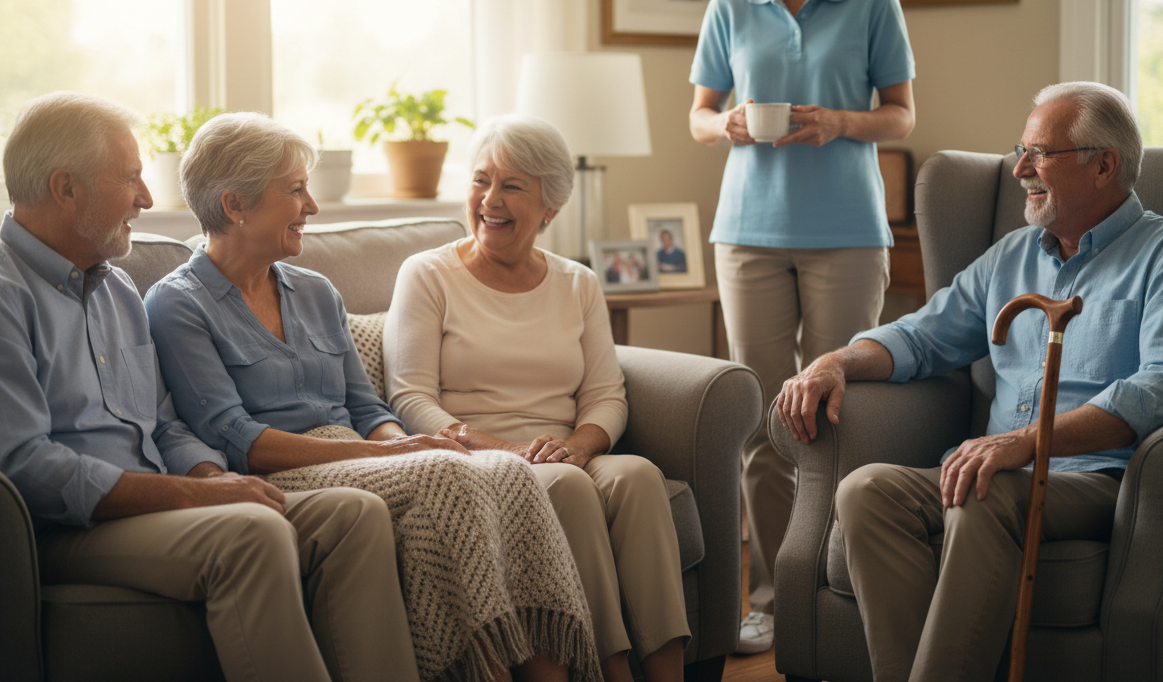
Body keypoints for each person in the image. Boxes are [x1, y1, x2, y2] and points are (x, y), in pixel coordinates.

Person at [144, 112, 599, 682]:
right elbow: (238, 438)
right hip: (285, 470)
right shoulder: (177, 303)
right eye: (295, 190)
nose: (310, 206)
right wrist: (392, 456)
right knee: (446, 474)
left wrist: (407, 443)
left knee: (499, 470)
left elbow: (367, 409)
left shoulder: (314, 290)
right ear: (236, 205)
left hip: (358, 456)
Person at [777, 82, 1163, 682]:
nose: (1020, 168)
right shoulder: (1012, 254)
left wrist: (1026, 443)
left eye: (1040, 153)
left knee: (982, 488)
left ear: (1105, 165)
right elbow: (922, 337)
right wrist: (835, 361)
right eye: (1021, 150)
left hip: (1099, 478)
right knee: (866, 491)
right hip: (993, 468)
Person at [0, 92, 412, 682]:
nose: (145, 199)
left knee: (354, 513)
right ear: (66, 188)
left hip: (157, 504)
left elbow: (164, 423)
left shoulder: (116, 290)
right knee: (254, 533)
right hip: (68, 527)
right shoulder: (7, 293)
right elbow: (25, 465)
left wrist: (216, 480)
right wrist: (190, 497)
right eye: (132, 179)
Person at [687, 0, 916, 652]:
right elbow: (699, 115)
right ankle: (773, 597)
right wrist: (730, 125)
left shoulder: (872, 2)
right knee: (757, 418)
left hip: (848, 234)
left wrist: (839, 122)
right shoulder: (730, 5)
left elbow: (902, 115)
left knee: (835, 413)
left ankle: (838, 582)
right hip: (747, 233)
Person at [387, 114, 690, 682]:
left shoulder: (577, 282)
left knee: (640, 476)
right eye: (480, 181)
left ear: (550, 207)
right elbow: (410, 398)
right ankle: (611, 669)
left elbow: (607, 395)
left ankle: (668, 673)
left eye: (511, 186)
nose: (489, 200)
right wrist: (512, 449)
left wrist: (577, 445)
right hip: (479, 458)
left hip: (563, 451)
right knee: (568, 483)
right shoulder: (427, 274)